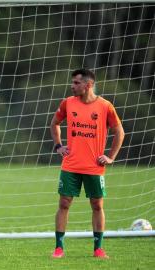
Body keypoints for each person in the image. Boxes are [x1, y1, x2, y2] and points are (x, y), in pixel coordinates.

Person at [50, 68, 125, 259]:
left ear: (88, 84)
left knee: (97, 205)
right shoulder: (68, 103)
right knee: (64, 203)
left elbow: (119, 132)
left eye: (76, 83)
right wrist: (59, 146)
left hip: (94, 167)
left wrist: (111, 157)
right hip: (70, 165)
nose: (72, 86)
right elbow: (54, 124)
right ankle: (59, 248)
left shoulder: (105, 106)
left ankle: (98, 248)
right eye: (72, 82)